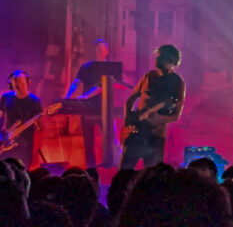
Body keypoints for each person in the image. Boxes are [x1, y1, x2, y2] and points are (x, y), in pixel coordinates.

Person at [119, 45, 185, 169]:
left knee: (152, 177)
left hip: (156, 137)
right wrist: (127, 124)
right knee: (124, 172)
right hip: (136, 134)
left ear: (171, 60)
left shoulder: (177, 82)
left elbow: (175, 115)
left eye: (161, 56)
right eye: (157, 55)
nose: (157, 58)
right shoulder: (148, 76)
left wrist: (157, 119)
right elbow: (130, 100)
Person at [65, 38, 112, 168]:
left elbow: (101, 86)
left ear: (106, 51)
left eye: (101, 50)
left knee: (109, 140)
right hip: (87, 108)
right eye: (97, 50)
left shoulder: (110, 68)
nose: (99, 52)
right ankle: (91, 169)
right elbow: (76, 82)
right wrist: (68, 96)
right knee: (88, 142)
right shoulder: (86, 67)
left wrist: (85, 96)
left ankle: (108, 167)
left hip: (104, 108)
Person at [0, 70, 44, 169]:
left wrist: (38, 125)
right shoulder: (5, 97)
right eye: (16, 83)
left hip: (25, 145)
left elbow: (40, 127)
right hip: (7, 142)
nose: (19, 86)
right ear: (11, 84)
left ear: (28, 82)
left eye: (22, 83)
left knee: (21, 172)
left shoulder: (35, 101)